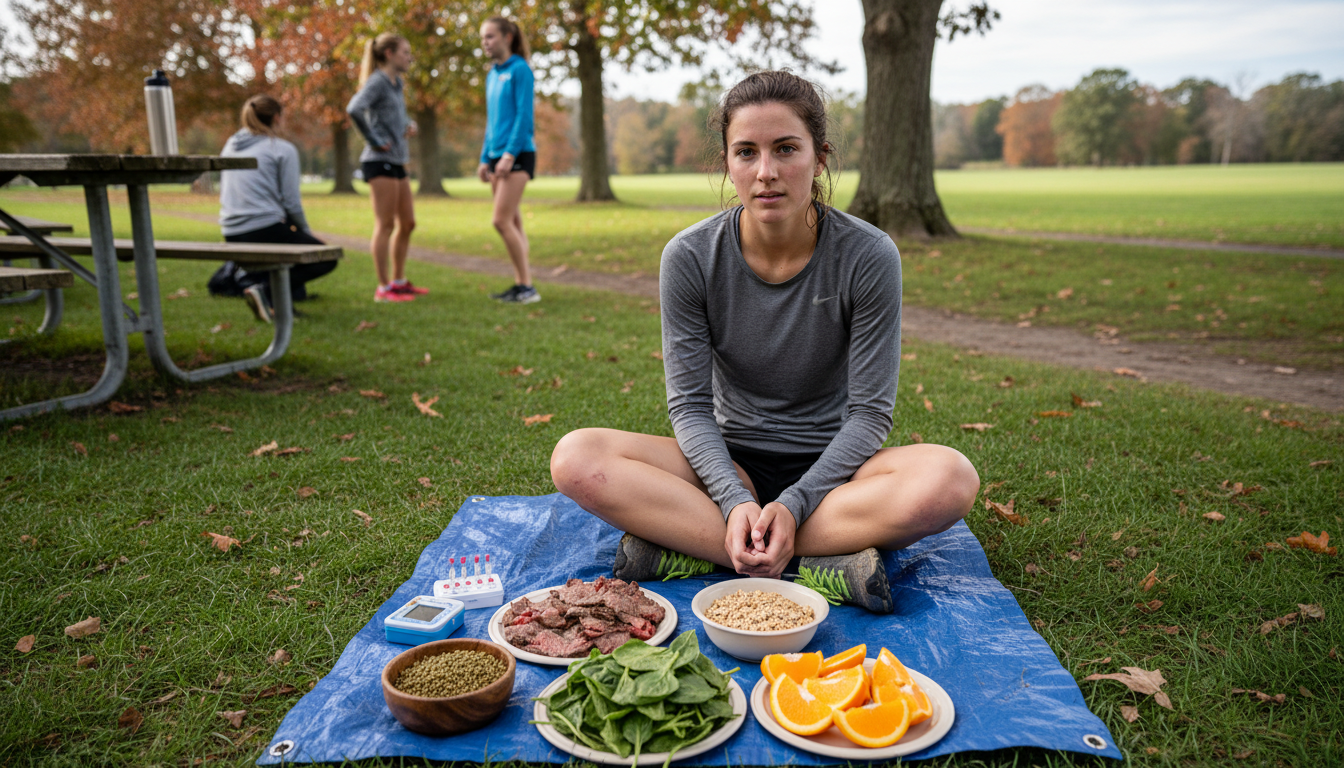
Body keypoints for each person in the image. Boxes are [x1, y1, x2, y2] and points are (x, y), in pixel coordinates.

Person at [550, 71, 980, 613]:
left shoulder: (869, 255)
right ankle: (818, 560)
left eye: (786, 149)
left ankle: (703, 549)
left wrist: (796, 503)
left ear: (819, 157)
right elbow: (688, 406)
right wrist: (733, 501)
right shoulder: (689, 257)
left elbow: (870, 415)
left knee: (950, 479)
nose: (766, 172)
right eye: (746, 152)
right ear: (727, 163)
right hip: (728, 465)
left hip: (838, 475)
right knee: (576, 458)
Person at [214, 94, 336, 322]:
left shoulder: (231, 144)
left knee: (292, 247)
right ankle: (267, 293)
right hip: (263, 227)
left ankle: (272, 300)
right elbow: (291, 201)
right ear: (277, 118)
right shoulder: (281, 149)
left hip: (231, 231)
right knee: (325, 257)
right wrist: (305, 232)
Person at [346, 32, 424, 303]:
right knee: (386, 224)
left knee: (408, 223)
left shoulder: (396, 83)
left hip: (398, 161)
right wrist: (375, 140)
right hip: (378, 161)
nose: (409, 57)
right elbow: (354, 108)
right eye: (405, 52)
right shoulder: (378, 81)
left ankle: (399, 282)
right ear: (389, 53)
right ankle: (383, 288)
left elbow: (395, 115)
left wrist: (408, 124)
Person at [477, 16, 539, 304]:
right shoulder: (492, 74)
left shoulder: (520, 70)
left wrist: (509, 155)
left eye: (490, 36)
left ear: (507, 37)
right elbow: (492, 123)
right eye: (483, 38)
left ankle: (526, 287)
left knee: (500, 221)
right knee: (512, 221)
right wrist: (484, 158)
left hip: (517, 154)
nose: (485, 43)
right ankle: (521, 283)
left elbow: (523, 118)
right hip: (495, 157)